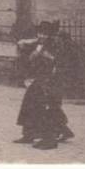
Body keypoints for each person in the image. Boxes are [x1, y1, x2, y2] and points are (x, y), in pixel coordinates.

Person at [14, 21, 73, 149]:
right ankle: (30, 134)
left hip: (52, 80)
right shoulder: (40, 43)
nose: (41, 35)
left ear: (50, 35)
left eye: (44, 34)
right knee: (30, 103)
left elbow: (60, 61)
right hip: (41, 79)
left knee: (47, 108)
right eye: (40, 33)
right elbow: (24, 47)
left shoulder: (55, 43)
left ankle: (49, 138)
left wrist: (46, 55)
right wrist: (34, 45)